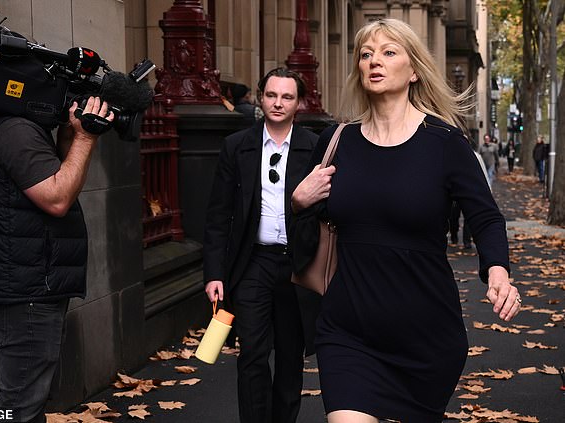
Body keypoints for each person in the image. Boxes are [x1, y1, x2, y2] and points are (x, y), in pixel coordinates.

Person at [289, 18, 521, 423]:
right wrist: (297, 202)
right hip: (348, 331)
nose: (374, 61)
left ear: (414, 70)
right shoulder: (335, 142)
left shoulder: (444, 143)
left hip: (425, 336)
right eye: (366, 54)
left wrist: (498, 272)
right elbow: (303, 228)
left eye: (388, 52)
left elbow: (485, 217)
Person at [0, 96, 114, 423]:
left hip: (18, 278)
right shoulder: (16, 130)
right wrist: (85, 138)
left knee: (27, 397)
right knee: (20, 406)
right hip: (25, 287)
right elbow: (57, 197)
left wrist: (68, 138)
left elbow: (40, 177)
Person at [203, 67, 319, 423]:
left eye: (287, 97)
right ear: (260, 97)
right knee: (251, 353)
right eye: (271, 95)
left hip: (297, 267)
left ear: (298, 103)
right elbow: (218, 216)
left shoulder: (315, 147)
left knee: (289, 357)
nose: (278, 103)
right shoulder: (237, 146)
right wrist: (214, 274)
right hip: (252, 264)